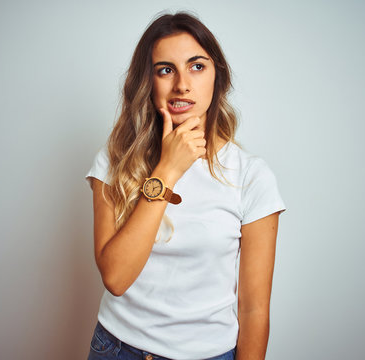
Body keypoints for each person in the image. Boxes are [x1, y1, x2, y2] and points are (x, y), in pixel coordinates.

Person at [85, 12, 286, 360]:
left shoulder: (251, 176)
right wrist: (167, 170)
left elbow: (254, 310)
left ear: (217, 77)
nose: (182, 84)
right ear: (148, 81)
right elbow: (115, 277)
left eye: (196, 66)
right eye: (166, 69)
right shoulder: (115, 158)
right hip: (116, 349)